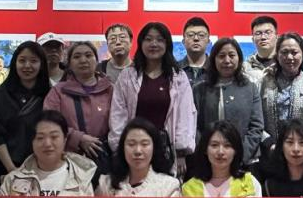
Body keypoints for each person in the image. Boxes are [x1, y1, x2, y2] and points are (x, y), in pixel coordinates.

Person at [108, 22, 197, 177]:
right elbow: (118, 114)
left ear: (167, 44)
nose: (154, 44)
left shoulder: (178, 77)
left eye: (159, 40)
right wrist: (119, 147)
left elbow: (185, 114)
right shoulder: (127, 76)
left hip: (165, 148)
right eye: (148, 39)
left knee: (165, 187)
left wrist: (181, 151)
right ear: (140, 43)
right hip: (135, 147)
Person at [0, 41, 52, 192]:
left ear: (42, 65)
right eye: (22, 60)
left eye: (33, 61)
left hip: (40, 169)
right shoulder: (0, 93)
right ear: (14, 63)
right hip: (4, 167)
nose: (27, 66)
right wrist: (11, 169)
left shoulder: (50, 95)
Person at [259, 32, 303, 159]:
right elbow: (256, 119)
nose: (289, 57)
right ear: (277, 55)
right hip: (272, 153)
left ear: (302, 54)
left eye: (294, 52)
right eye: (284, 52)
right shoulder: (264, 82)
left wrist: (299, 139)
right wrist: (269, 143)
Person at [192, 37, 263, 164]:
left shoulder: (250, 88)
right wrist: (206, 151)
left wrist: (240, 155)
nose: (227, 60)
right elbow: (193, 126)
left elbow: (256, 127)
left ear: (239, 58)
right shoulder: (199, 89)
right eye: (221, 56)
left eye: (231, 55)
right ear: (213, 59)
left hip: (244, 161)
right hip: (208, 160)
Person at [44, 41, 114, 170]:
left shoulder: (110, 89)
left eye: (88, 55)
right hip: (68, 159)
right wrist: (78, 138)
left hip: (104, 157)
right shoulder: (58, 91)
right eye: (76, 57)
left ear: (96, 60)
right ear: (69, 63)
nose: (83, 60)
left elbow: (119, 122)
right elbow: (49, 122)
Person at [177, 17, 211, 87]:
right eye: (190, 35)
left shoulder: (216, 69)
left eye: (201, 35)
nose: (196, 38)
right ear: (183, 41)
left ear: (208, 41)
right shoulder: (175, 69)